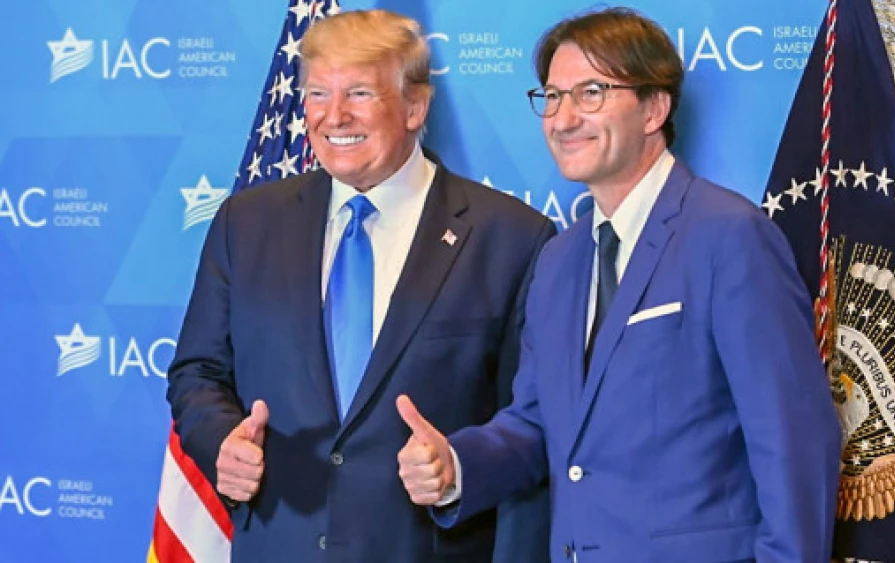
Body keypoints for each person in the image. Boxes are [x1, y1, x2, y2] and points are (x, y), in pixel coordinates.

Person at [396, 7, 842, 562]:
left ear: (654, 107)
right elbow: (538, 422)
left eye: (590, 93)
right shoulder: (559, 258)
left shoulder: (729, 237)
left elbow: (793, 442)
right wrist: (457, 466)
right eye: (552, 97)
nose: (562, 119)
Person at [167, 9, 554, 563]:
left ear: (416, 107)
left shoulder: (512, 237)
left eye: (360, 94)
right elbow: (197, 372)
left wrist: (460, 465)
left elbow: (536, 414)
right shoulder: (245, 223)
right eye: (318, 94)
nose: (333, 116)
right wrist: (221, 440)